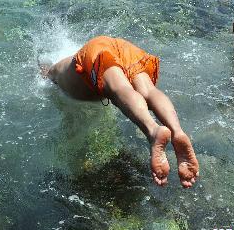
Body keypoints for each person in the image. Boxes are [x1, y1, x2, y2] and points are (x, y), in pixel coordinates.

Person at [40, 35, 199, 188]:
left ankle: (153, 130)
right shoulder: (72, 60)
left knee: (120, 89)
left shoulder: (52, 74)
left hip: (97, 51)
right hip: (123, 47)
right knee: (148, 91)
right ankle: (177, 131)